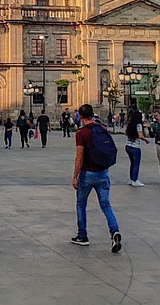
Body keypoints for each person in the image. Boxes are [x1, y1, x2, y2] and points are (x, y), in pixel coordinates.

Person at [71, 104, 122, 253]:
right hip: (103, 172)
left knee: (81, 204)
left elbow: (79, 156)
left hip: (87, 174)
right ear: (93, 115)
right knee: (106, 205)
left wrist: (75, 176)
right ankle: (114, 231)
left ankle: (82, 236)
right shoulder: (102, 129)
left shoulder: (81, 133)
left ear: (80, 116)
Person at [124, 110, 149, 187]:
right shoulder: (138, 125)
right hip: (135, 146)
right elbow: (140, 135)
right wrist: (146, 140)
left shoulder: (130, 124)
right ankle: (135, 180)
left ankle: (132, 179)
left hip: (128, 145)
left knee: (132, 163)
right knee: (136, 164)